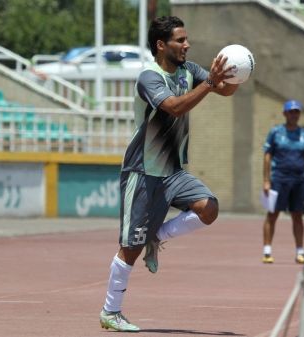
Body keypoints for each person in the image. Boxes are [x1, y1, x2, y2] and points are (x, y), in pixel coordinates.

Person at [99, 16, 239, 332]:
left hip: (173, 171)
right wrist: (209, 83)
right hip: (143, 171)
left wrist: (236, 73)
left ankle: (156, 237)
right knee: (130, 247)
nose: (187, 45)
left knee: (209, 208)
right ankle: (110, 311)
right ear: (162, 45)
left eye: (186, 39)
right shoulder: (149, 77)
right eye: (180, 40)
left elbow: (226, 91)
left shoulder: (190, 71)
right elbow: (174, 106)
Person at [261, 100, 304, 265]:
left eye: (297, 112)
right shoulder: (276, 132)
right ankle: (267, 251)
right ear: (285, 114)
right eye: (291, 112)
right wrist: (266, 180)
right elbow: (267, 156)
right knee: (272, 214)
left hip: (299, 180)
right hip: (279, 179)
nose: (294, 115)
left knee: (297, 216)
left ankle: (300, 252)